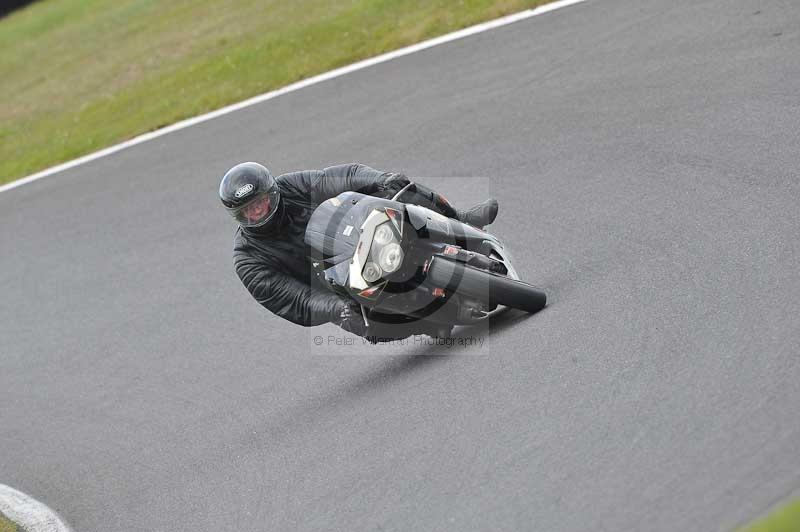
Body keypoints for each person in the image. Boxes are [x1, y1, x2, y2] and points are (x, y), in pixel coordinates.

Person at [219, 162, 498, 341]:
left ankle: (459, 218)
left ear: (272, 192)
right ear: (238, 215)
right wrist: (334, 307)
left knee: (400, 189)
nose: (257, 210)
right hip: (338, 284)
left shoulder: (291, 186)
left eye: (261, 201)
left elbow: (339, 178)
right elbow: (294, 299)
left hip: (362, 232)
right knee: (364, 324)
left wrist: (380, 179)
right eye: (248, 209)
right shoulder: (248, 259)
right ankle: (425, 323)